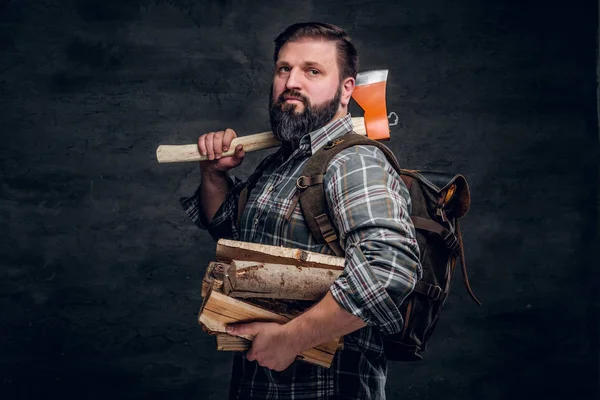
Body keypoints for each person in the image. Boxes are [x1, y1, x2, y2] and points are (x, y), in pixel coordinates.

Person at [180, 22, 421, 400]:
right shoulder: (282, 162)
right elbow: (231, 234)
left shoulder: (353, 161)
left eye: (312, 71)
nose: (292, 81)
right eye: (283, 69)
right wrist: (212, 174)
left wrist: (291, 339)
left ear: (347, 89)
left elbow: (389, 271)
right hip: (259, 386)